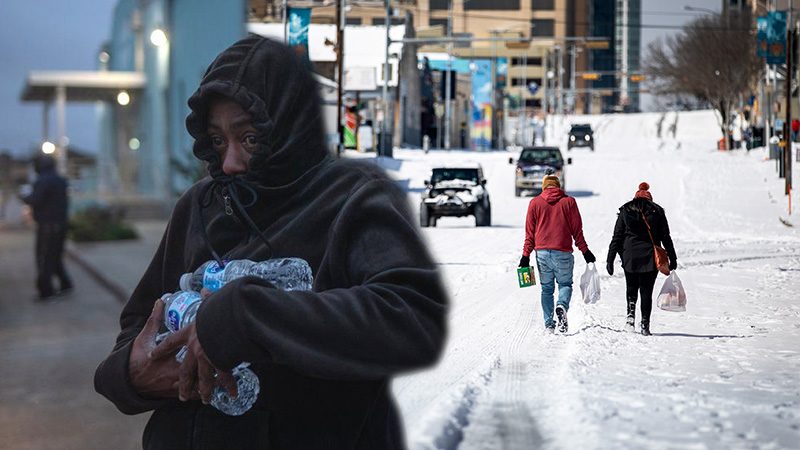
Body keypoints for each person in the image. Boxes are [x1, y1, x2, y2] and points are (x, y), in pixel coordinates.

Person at [94, 36, 447, 449]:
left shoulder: (353, 197)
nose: (229, 163)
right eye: (218, 140)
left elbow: (410, 318)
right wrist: (128, 377)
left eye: (249, 139)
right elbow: (136, 329)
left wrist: (249, 316)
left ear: (289, 125)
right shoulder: (197, 206)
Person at [518, 173, 595, 333]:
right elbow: (577, 231)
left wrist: (525, 256)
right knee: (565, 284)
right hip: (563, 253)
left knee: (546, 289)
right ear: (558, 186)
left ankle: (549, 325)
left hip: (542, 254)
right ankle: (562, 305)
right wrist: (585, 251)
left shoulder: (534, 203)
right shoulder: (569, 202)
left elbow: (529, 234)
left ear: (544, 187)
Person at [606, 182, 677, 336]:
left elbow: (617, 237)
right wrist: (672, 257)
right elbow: (666, 237)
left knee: (631, 288)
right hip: (650, 257)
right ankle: (645, 324)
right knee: (646, 291)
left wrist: (610, 259)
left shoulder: (625, 210)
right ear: (649, 198)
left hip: (629, 256)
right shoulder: (657, 211)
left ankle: (630, 318)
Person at [20, 154, 72, 299]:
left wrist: (23, 197)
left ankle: (46, 291)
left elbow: (35, 200)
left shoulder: (43, 180)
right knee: (54, 257)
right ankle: (66, 284)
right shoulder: (60, 180)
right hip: (60, 225)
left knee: (44, 259)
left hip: (48, 226)